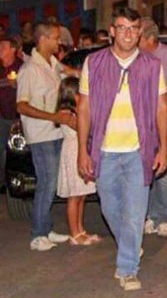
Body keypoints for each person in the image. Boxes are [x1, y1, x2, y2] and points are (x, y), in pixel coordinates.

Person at [77, 7, 167, 291]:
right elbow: (83, 108)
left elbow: (162, 107)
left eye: (133, 28)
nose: (128, 33)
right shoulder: (93, 63)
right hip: (103, 152)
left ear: (140, 32)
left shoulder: (152, 66)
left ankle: (127, 268)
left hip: (137, 152)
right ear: (112, 31)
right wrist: (82, 149)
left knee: (134, 212)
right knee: (110, 208)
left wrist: (163, 148)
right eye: (122, 27)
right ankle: (130, 245)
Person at [16, 21, 75, 251]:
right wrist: (53, 116)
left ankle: (46, 227)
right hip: (41, 135)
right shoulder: (29, 69)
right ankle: (38, 234)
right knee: (46, 183)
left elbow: (70, 73)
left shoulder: (51, 63)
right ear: (43, 40)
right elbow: (21, 106)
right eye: (55, 37)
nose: (59, 42)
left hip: (54, 132)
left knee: (51, 182)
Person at [139, 17, 167, 238]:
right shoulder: (136, 59)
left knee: (163, 171)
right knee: (146, 172)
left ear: (150, 38)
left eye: (139, 36)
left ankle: (164, 217)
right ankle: (150, 216)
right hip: (143, 125)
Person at [56, 76, 101, 246]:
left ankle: (81, 230)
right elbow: (82, 128)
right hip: (73, 152)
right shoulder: (66, 113)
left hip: (80, 150)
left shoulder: (77, 110)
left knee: (82, 194)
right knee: (74, 196)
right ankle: (74, 233)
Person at [0, 36, 23, 193]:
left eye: (3, 46)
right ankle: (2, 182)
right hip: (2, 117)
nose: (0, 48)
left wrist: (17, 84)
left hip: (17, 119)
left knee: (16, 152)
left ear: (13, 49)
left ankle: (15, 181)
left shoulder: (22, 67)